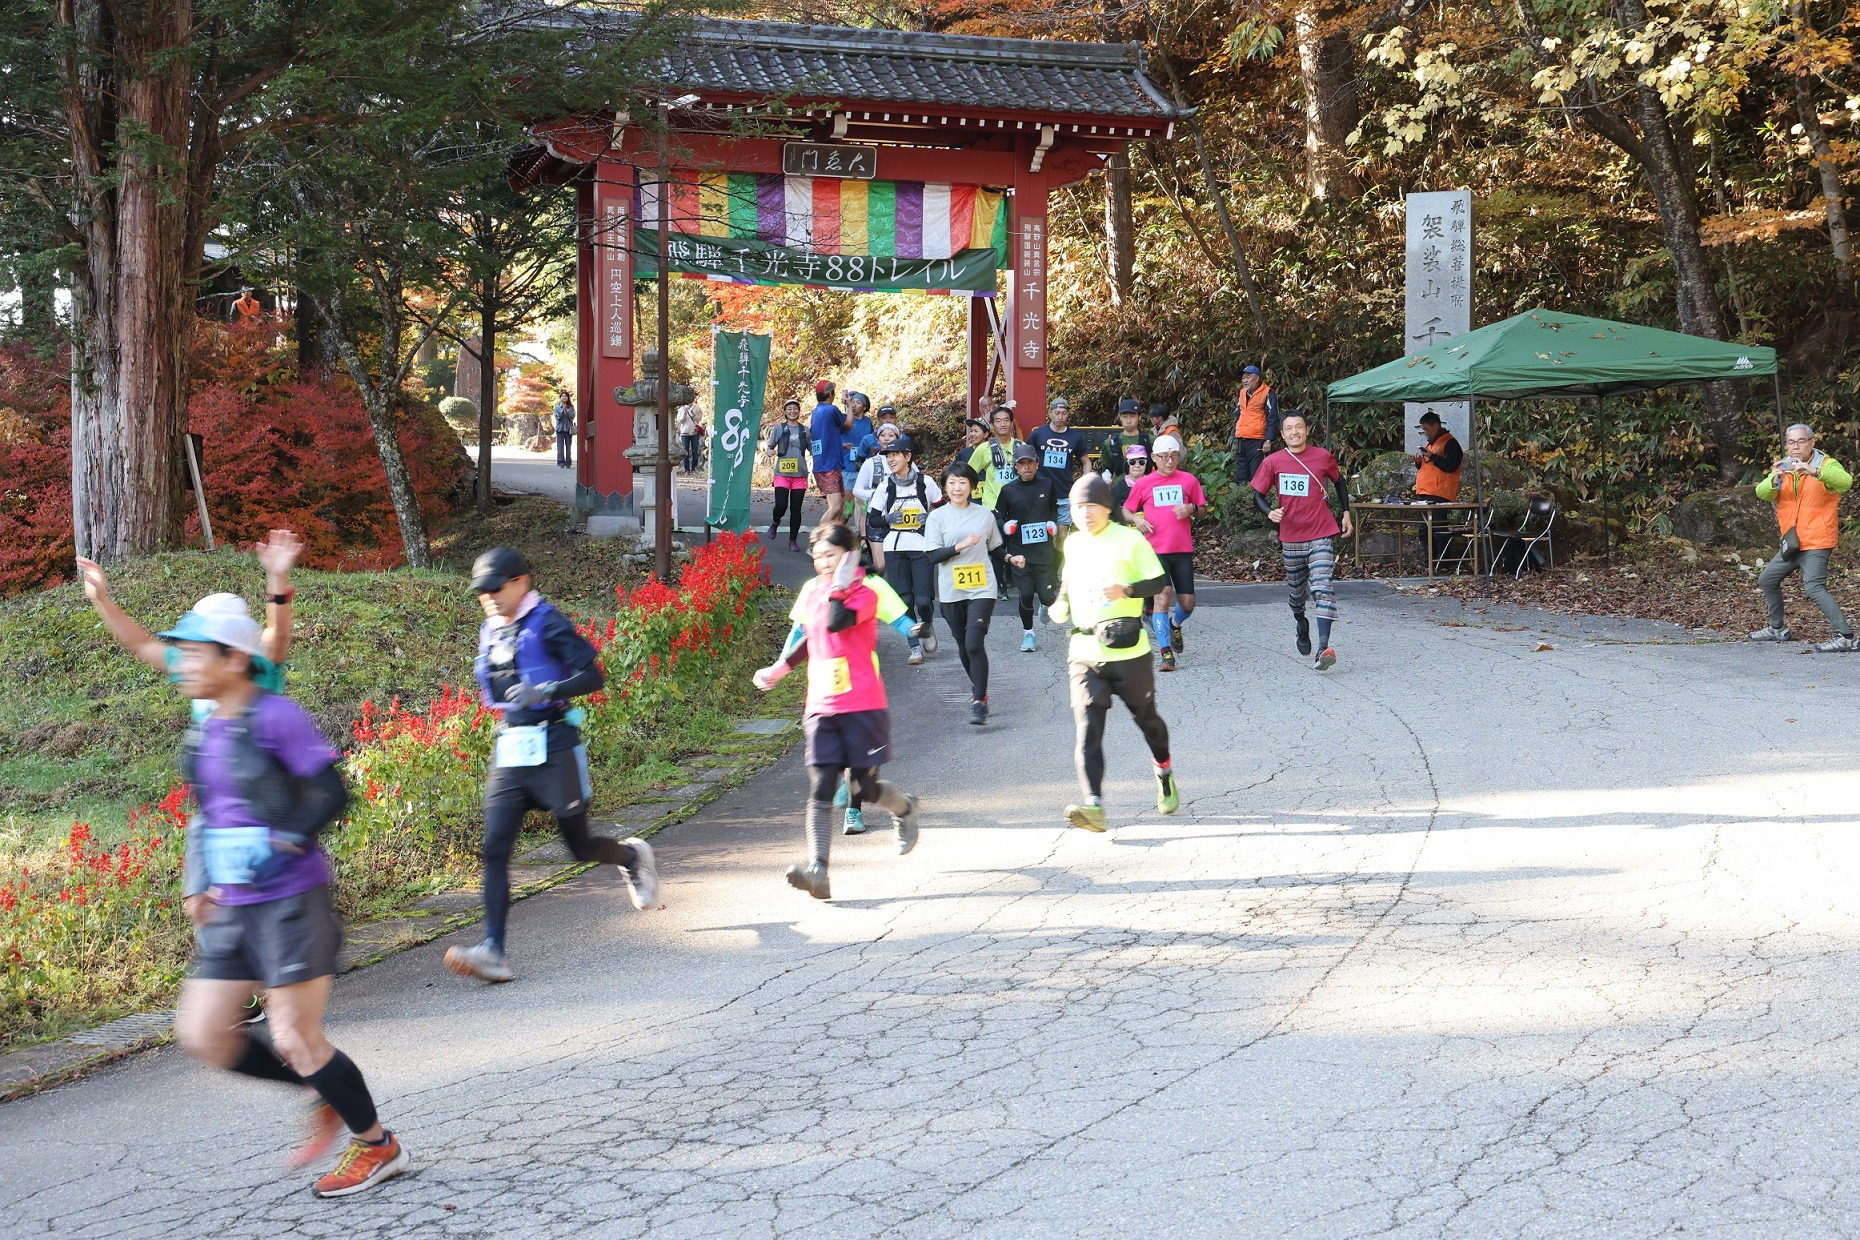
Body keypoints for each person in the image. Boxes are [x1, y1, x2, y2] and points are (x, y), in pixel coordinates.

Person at [114, 594, 406, 1197]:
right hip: (233, 907)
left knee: (296, 1037)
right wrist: (202, 882)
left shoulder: (276, 717)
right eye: (182, 653)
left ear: (236, 658)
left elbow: (330, 795)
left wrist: (284, 842)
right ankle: (319, 1090)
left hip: (291, 902)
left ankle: (377, 1145)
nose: (183, 664)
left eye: (195, 654)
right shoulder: (206, 731)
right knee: (203, 1033)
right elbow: (209, 816)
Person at [445, 548, 659, 984]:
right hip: (512, 746)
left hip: (555, 741)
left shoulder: (549, 621)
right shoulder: (491, 631)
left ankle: (631, 856)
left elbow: (593, 675)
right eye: (480, 591)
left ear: (521, 582)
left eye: (495, 587)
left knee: (577, 848)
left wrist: (544, 690)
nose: (487, 597)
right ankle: (493, 951)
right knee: (494, 848)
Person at [752, 523, 922, 898]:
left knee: (863, 786)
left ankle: (905, 808)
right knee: (822, 785)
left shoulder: (865, 592)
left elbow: (837, 620)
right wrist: (779, 669)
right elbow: (810, 637)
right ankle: (818, 870)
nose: (823, 565)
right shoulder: (813, 591)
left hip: (863, 704)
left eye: (831, 556)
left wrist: (840, 585)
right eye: (818, 558)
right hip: (822, 706)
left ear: (850, 553)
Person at [1049, 473, 1179, 833]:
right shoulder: (1073, 544)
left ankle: (1164, 773)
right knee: (1087, 729)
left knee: (1147, 720)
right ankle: (1094, 807)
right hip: (1084, 650)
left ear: (1107, 508)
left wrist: (1127, 589)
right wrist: (1060, 603)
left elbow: (1158, 582)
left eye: (1091, 505)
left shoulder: (1129, 538)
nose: (1085, 513)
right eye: (1078, 507)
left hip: (1129, 651)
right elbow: (1067, 582)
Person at [77, 530, 303, 722]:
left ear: (235, 654)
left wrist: (277, 576)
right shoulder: (193, 660)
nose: (187, 664)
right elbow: (142, 645)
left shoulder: (258, 666)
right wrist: (101, 599)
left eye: (199, 645)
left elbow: (278, 632)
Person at [1252, 411, 1353, 671]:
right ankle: (1301, 622)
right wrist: (1269, 511)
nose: (1295, 432)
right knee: (1297, 595)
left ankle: (1323, 647)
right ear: (1282, 434)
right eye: (1289, 428)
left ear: (1307, 430)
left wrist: (1345, 513)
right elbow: (1258, 495)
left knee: (1323, 587)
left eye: (1299, 427)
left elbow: (1340, 482)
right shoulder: (1273, 461)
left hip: (1321, 532)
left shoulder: (1322, 457)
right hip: (1291, 536)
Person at [1750, 423, 1858, 652]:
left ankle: (1846, 636)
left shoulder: (1826, 464)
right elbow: (1762, 493)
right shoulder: (1785, 467)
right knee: (1767, 579)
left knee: (1814, 587)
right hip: (1792, 542)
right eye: (1791, 442)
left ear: (1812, 442)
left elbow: (1846, 482)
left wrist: (1815, 472)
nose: (1795, 446)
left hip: (1817, 540)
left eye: (1801, 441)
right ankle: (1776, 628)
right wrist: (1773, 477)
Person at [923, 462, 1003, 725]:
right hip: (951, 590)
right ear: (945, 487)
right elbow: (934, 555)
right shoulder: (937, 517)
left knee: (973, 643)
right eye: (952, 483)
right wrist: (961, 545)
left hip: (982, 586)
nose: (958, 488)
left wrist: (1011, 558)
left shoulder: (985, 515)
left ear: (972, 486)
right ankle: (978, 688)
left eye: (963, 482)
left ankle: (980, 700)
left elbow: (996, 548)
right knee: (962, 644)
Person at [1123, 433, 1207, 673]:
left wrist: (1191, 508)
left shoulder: (1189, 480)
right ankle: (1166, 654)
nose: (1169, 461)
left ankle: (1175, 624)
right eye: (1164, 457)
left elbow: (1202, 510)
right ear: (1153, 458)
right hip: (1155, 550)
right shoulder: (1143, 483)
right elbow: (1126, 510)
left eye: (1174, 456)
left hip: (1181, 550)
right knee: (1163, 595)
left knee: (1187, 604)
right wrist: (1137, 522)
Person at [869, 434, 943, 665]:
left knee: (923, 600)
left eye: (895, 455)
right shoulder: (884, 487)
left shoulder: (926, 483)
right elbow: (872, 520)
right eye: (888, 456)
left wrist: (929, 516)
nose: (890, 459)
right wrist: (888, 518)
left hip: (921, 546)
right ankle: (914, 648)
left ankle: (927, 627)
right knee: (904, 600)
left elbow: (944, 510)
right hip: (894, 548)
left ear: (908, 456)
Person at [996, 443, 1062, 652]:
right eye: (1021, 464)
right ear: (1015, 467)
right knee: (1025, 594)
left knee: (1047, 596)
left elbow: (1053, 510)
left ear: (1037, 464)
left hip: (1043, 551)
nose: (1026, 467)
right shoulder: (1008, 490)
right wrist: (1006, 526)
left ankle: (1045, 604)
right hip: (1019, 553)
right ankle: (1029, 635)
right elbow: (997, 516)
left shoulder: (1047, 485)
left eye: (1030, 463)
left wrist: (1051, 523)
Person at [852, 421, 906, 574]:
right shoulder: (870, 463)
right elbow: (857, 490)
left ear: (898, 438)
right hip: (876, 517)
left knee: (897, 562)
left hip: (900, 517)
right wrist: (874, 494)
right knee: (880, 565)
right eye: (883, 435)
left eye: (891, 435)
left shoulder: (907, 461)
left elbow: (919, 483)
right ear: (877, 439)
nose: (887, 438)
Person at [1028, 397, 1086, 525]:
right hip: (1040, 489)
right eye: (1057, 413)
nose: (1060, 416)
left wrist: (1084, 481)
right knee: (1042, 530)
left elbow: (1086, 461)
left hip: (1064, 491)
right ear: (1050, 413)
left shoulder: (1075, 437)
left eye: (1064, 413)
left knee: (1061, 534)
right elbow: (1026, 457)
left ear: (1068, 414)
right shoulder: (1038, 434)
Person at [767, 398, 811, 552]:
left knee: (796, 509)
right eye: (789, 409)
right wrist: (770, 451)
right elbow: (770, 447)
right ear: (785, 412)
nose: (792, 411)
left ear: (799, 411)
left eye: (795, 408)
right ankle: (775, 521)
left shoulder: (805, 430)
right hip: (782, 473)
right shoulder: (778, 429)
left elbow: (814, 449)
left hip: (800, 474)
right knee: (781, 505)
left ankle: (793, 540)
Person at [810, 379, 852, 525]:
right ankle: (816, 542)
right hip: (829, 466)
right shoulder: (831, 410)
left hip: (823, 464)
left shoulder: (816, 412)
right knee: (835, 508)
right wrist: (849, 406)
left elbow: (824, 436)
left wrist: (839, 445)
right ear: (830, 394)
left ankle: (829, 541)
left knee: (838, 508)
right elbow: (849, 424)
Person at [1231, 365, 1281, 486]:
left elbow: (1273, 417)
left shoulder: (1268, 393)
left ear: (1257, 378)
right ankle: (1241, 501)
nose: (1245, 381)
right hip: (1241, 438)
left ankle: (1256, 501)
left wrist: (1268, 440)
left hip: (1257, 440)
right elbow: (1238, 415)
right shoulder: (1242, 393)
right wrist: (1234, 436)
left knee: (1256, 473)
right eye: (1243, 378)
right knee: (1241, 474)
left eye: (1248, 377)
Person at [1412, 410, 1463, 502]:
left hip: (1439, 493)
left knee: (1437, 517)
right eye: (1423, 430)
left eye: (1426, 429)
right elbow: (1429, 466)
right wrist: (1419, 463)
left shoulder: (1449, 442)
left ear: (1436, 426)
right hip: (1426, 491)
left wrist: (1432, 456)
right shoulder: (1431, 442)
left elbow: (1451, 466)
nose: (1426, 433)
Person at [1101, 399, 1153, 481]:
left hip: (1146, 487)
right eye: (1125, 417)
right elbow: (1107, 468)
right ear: (1120, 417)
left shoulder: (1150, 441)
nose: (1128, 421)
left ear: (1139, 417)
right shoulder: (1110, 443)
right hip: (1121, 490)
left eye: (1132, 416)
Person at [1110, 442, 1151, 521]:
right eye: (1132, 462)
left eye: (1141, 462)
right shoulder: (1116, 489)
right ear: (1126, 465)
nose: (1137, 465)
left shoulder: (1154, 486)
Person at [676, 402, 702, 474]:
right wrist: (684, 415)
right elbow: (680, 421)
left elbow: (699, 419)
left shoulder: (697, 408)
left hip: (694, 432)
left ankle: (694, 468)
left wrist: (694, 415)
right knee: (685, 452)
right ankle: (686, 469)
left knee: (695, 451)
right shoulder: (681, 409)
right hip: (685, 432)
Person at [554, 394, 578, 470]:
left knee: (568, 447)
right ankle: (561, 462)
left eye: (565, 396)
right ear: (560, 398)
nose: (564, 397)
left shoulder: (571, 407)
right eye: (562, 396)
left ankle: (568, 462)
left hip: (568, 430)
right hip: (560, 430)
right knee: (560, 447)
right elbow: (557, 417)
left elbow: (572, 417)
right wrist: (562, 411)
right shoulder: (557, 407)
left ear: (568, 398)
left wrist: (567, 411)